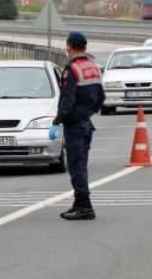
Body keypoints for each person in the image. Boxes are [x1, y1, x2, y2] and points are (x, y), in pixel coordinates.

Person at [50, 32, 105, 221]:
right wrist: (88, 112)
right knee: (80, 165)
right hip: (87, 123)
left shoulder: (72, 69)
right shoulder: (93, 67)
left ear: (70, 46)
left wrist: (57, 120)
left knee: (77, 166)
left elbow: (68, 99)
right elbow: (101, 98)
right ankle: (78, 202)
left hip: (74, 125)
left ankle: (85, 207)